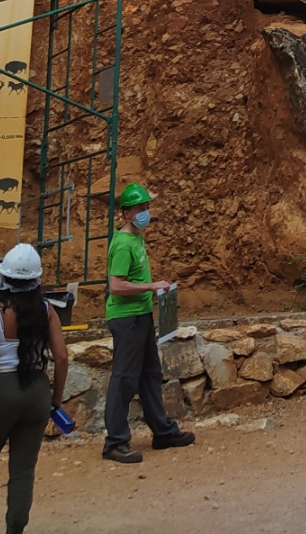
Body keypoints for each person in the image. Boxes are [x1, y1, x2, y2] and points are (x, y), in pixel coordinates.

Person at [0, 243, 69, 534]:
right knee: (22, 470)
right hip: (36, 390)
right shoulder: (46, 310)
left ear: (3, 277)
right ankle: (15, 529)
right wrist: (56, 398)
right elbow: (61, 357)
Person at [102, 180, 194, 462]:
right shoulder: (122, 245)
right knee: (124, 378)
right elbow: (116, 286)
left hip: (140, 315)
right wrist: (151, 287)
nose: (146, 212)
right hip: (126, 318)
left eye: (147, 207)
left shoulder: (136, 238)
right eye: (141, 208)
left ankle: (163, 431)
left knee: (150, 374)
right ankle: (115, 442)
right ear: (127, 213)